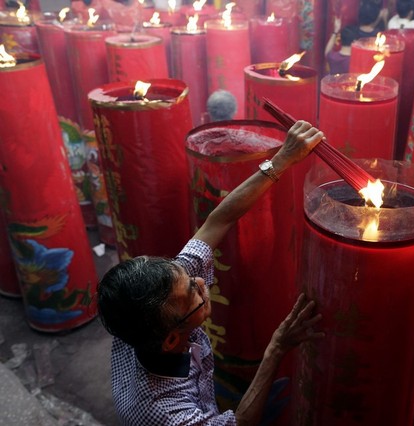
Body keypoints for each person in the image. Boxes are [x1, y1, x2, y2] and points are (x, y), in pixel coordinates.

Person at [97, 120, 326, 426]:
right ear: (171, 340)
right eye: (193, 292)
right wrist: (277, 347)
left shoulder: (148, 310)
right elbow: (240, 423)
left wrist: (283, 159)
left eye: (187, 277)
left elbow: (218, 221)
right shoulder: (167, 413)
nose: (200, 281)